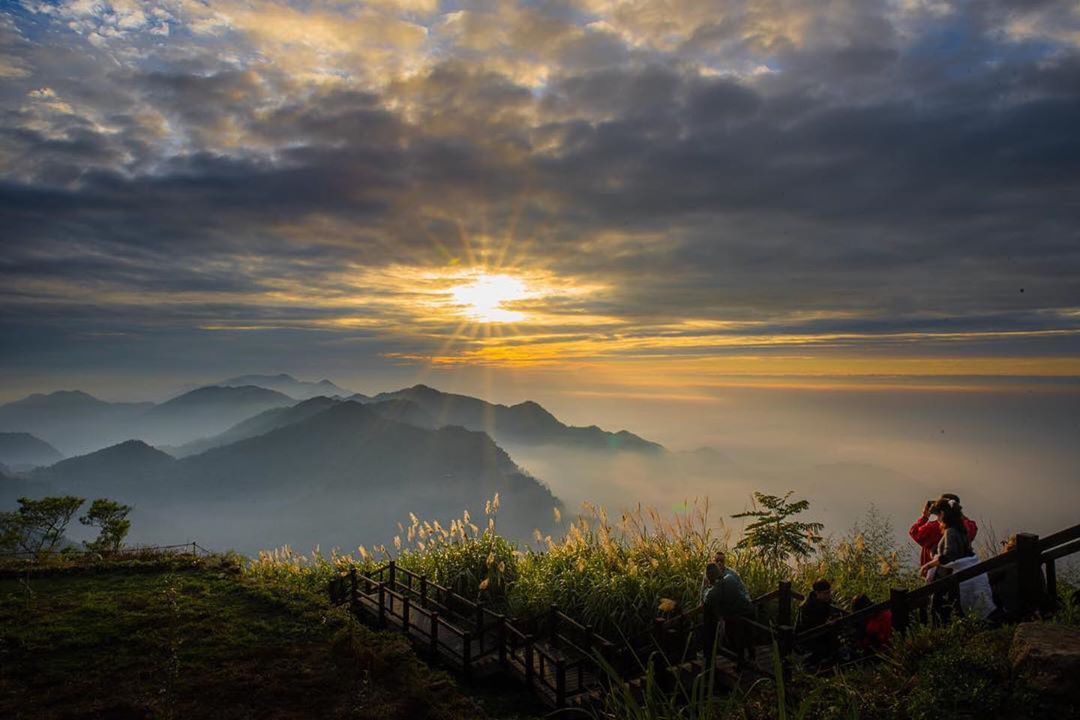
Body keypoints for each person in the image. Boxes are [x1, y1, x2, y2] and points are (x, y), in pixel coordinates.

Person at [921, 498, 994, 620]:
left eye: (938, 515)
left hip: (953, 579)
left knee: (944, 612)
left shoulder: (950, 532)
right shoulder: (962, 529)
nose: (937, 519)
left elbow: (949, 556)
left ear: (943, 514)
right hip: (968, 573)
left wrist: (928, 565)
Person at [703, 552, 756, 667]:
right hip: (745, 610)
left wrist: (708, 587)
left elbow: (707, 599)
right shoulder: (730, 578)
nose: (719, 563)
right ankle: (748, 659)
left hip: (737, 614)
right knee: (742, 637)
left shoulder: (716, 589)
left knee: (737, 637)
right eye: (717, 561)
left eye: (722, 561)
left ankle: (742, 663)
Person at [909, 493, 978, 567]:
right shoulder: (969, 526)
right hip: (963, 567)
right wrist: (957, 513)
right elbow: (971, 525)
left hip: (939, 571)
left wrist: (924, 517)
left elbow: (914, 532)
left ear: (942, 511)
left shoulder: (934, 528)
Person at [796, 579, 841, 664]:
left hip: (819, 634)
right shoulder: (808, 606)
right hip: (807, 637)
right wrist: (825, 624)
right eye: (825, 593)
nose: (828, 595)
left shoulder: (823, 602)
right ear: (817, 593)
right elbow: (808, 625)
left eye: (829, 592)